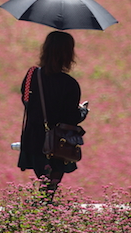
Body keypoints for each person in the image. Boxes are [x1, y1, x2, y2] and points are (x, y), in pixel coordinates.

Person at [18, 30, 88, 201]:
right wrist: (83, 111)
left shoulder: (31, 75)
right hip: (57, 144)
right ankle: (43, 220)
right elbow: (71, 118)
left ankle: (40, 217)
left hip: (34, 140)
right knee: (49, 192)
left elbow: (26, 102)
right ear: (68, 54)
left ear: (45, 50)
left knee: (44, 187)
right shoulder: (70, 85)